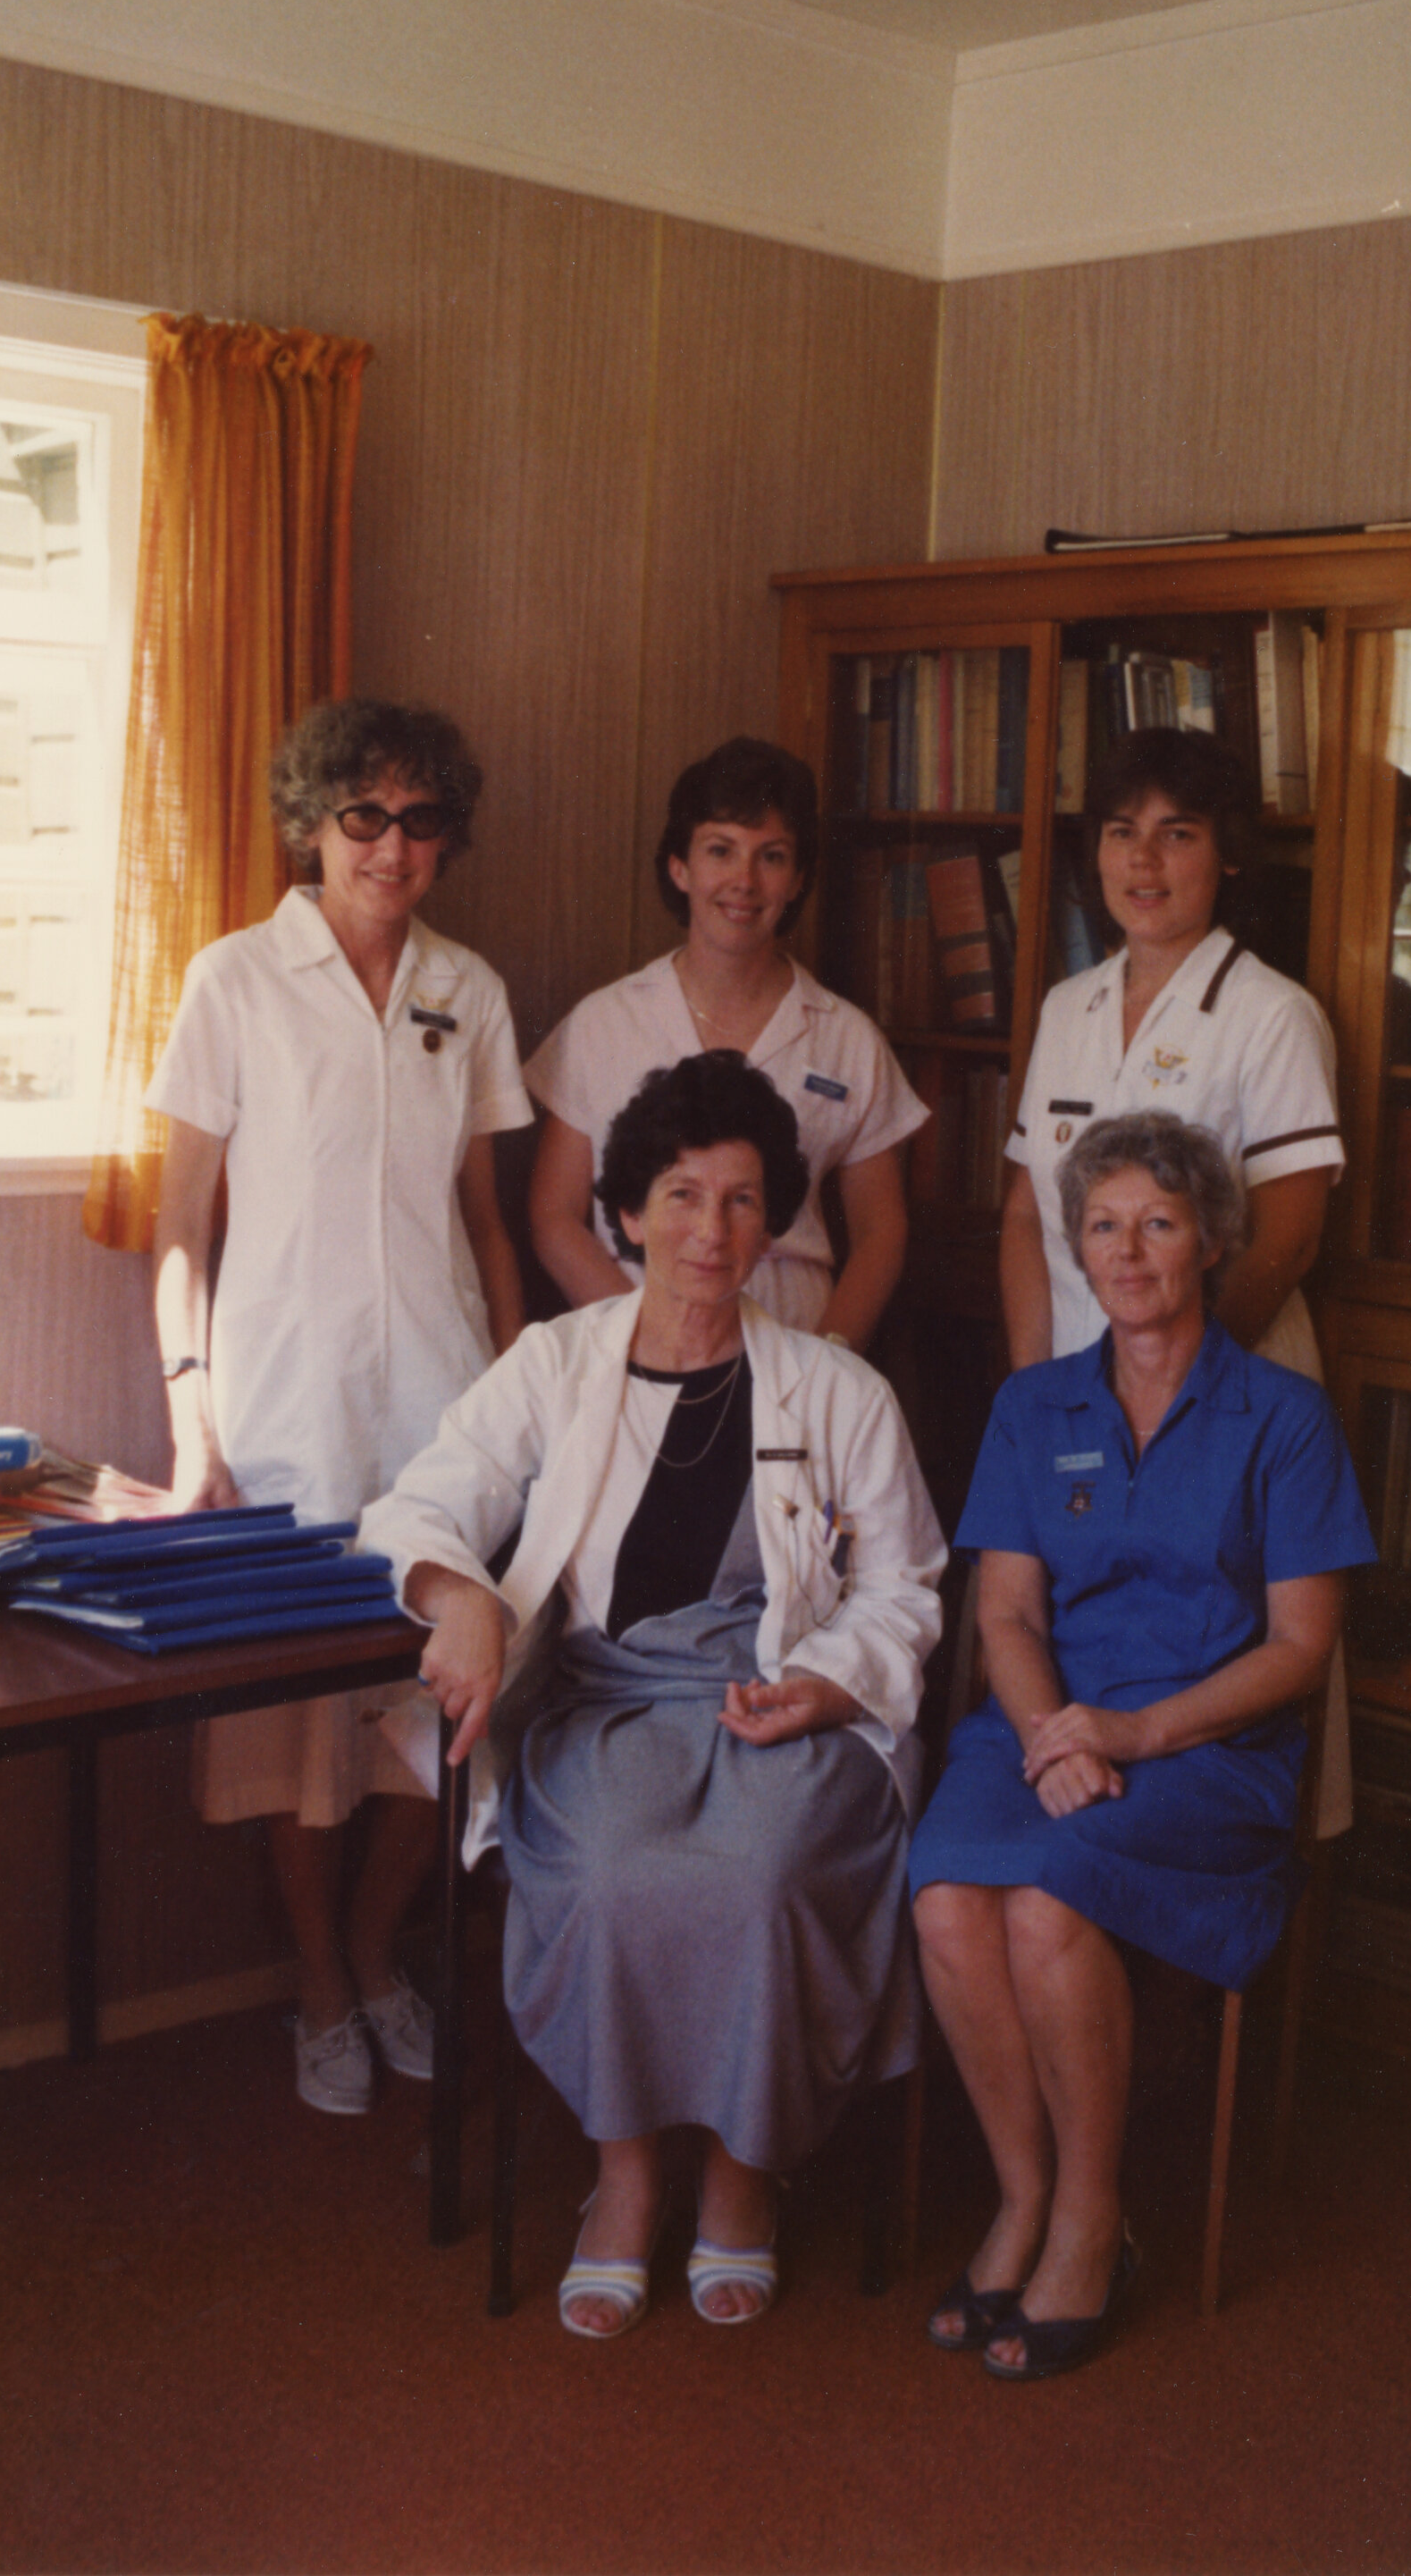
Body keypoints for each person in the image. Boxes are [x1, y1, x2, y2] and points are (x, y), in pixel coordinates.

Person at [359, 1053, 945, 2336]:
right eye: (681, 1195)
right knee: (616, 1869)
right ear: (626, 1211)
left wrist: (827, 1681)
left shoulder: (836, 1386)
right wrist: (458, 1590)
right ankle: (624, 2178)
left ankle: (745, 2170)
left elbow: (906, 1585)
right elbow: (423, 1498)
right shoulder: (557, 1363)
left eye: (742, 1200)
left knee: (770, 1870)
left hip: (781, 1700)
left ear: (774, 1219)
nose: (711, 1230)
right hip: (606, 1699)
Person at [910, 1113, 1374, 2381]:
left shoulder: (1282, 1416)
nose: (1129, 1249)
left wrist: (1134, 1730)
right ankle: (1021, 2193)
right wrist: (1057, 1732)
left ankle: (1092, 2217)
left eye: (1160, 1221)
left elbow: (1298, 1650)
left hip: (1210, 1748)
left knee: (1049, 1902)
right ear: (1075, 1245)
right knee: (951, 1895)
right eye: (1103, 1224)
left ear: (1213, 1240)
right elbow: (1003, 1610)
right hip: (1047, 1722)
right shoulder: (1033, 1401)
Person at [147, 698, 532, 2115]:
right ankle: (319, 1980)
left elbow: (486, 1224)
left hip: (439, 1418)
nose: (390, 845)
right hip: (282, 1422)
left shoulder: (467, 988)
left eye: (420, 820)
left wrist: (509, 1404)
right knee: (297, 1740)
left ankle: (379, 1953)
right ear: (313, 823)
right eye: (362, 815)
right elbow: (182, 1225)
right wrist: (195, 1425)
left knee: (429, 1732)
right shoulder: (234, 981)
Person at [525, 737, 926, 1349]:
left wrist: (827, 1359)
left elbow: (881, 1231)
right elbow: (554, 1215)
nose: (744, 881)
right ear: (679, 867)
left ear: (796, 880)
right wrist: (644, 1338)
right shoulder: (603, 1022)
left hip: (794, 1347)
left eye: (771, 856)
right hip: (634, 1349)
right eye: (720, 850)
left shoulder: (846, 1037)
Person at [1001, 728, 1344, 1375]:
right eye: (1122, 831)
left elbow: (1288, 1242)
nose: (1143, 861)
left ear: (1229, 855)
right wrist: (1034, 1390)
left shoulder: (1273, 1015)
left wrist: (1175, 1388)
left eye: (1177, 834)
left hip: (1223, 1393)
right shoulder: (1066, 1008)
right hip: (1078, 1392)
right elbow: (1025, 1215)